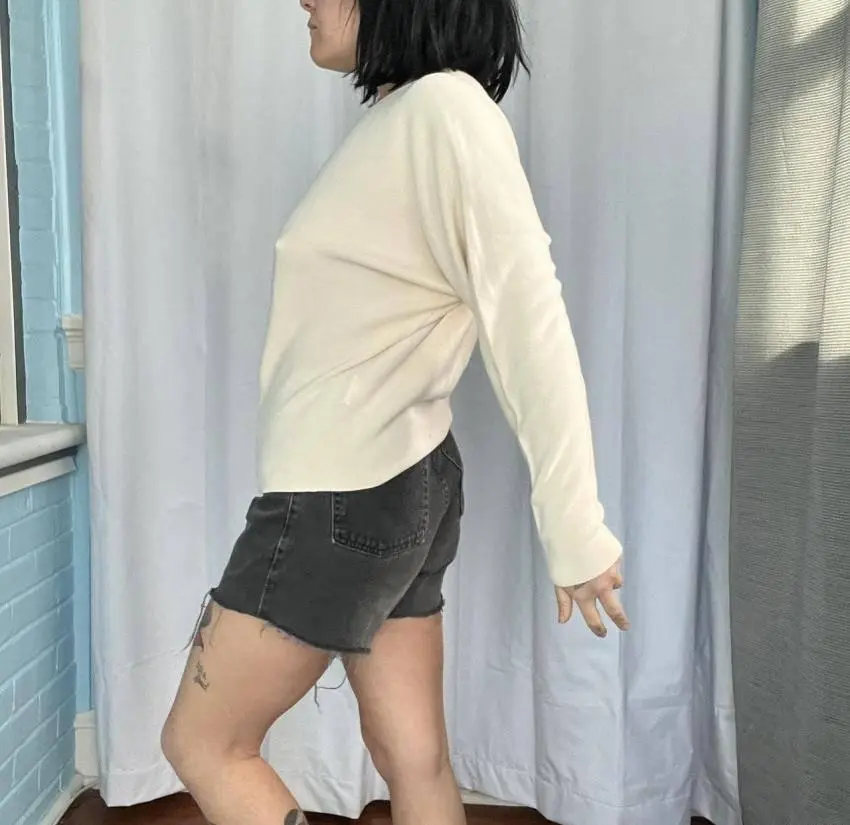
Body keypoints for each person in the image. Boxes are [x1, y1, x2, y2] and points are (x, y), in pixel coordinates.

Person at [161, 1, 630, 823]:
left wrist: (575, 523)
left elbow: (529, 318)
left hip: (342, 489)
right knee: (416, 760)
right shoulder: (408, 116)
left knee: (203, 742)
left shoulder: (446, 112)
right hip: (395, 478)